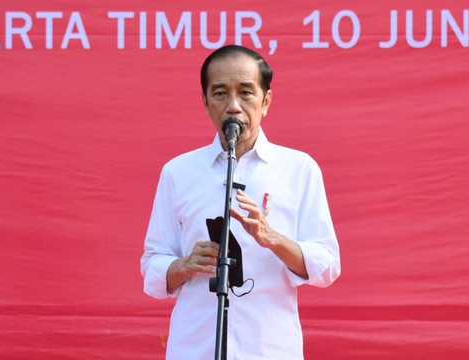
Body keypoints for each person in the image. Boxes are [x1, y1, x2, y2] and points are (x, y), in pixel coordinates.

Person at [140, 45, 341, 360]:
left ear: (266, 101)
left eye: (246, 93)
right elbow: (152, 265)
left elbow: (327, 265)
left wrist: (272, 239)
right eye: (220, 94)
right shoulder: (178, 172)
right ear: (206, 103)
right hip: (195, 347)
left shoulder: (298, 169)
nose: (233, 106)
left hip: (269, 348)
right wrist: (182, 266)